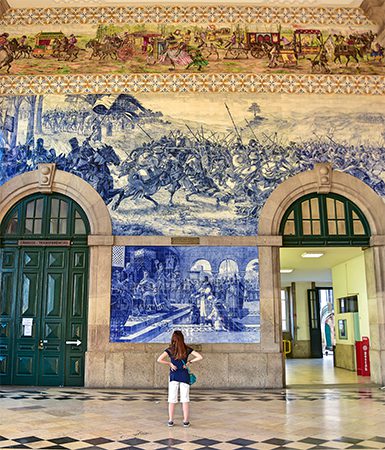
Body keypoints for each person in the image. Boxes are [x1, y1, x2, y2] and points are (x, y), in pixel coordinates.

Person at [157, 330, 203, 428]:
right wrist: (189, 362)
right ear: (182, 338)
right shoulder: (186, 349)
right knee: (185, 399)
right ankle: (185, 421)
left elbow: (159, 359)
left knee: (172, 399)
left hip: (174, 376)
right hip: (184, 376)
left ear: (173, 339)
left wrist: (169, 363)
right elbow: (199, 357)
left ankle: (170, 420)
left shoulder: (170, 350)